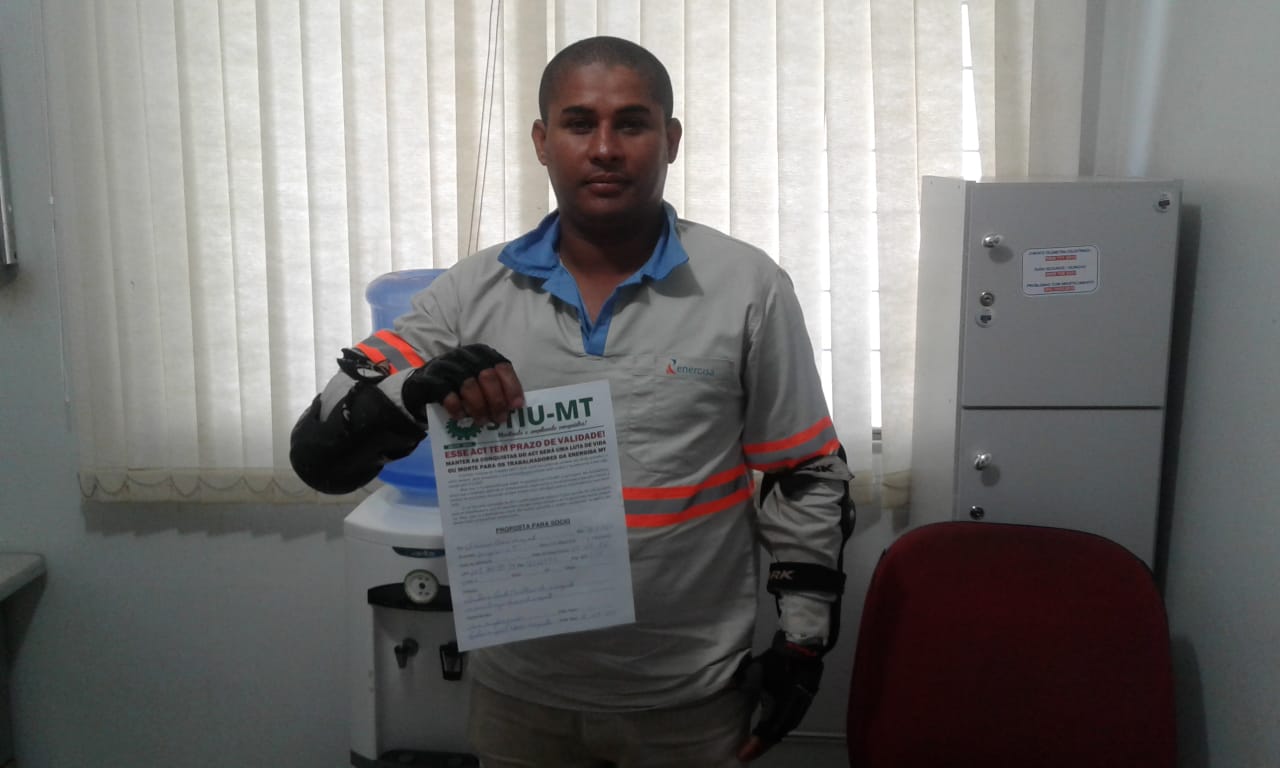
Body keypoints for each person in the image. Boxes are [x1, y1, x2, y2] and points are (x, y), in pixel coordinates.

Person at [291, 36, 853, 767]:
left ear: (671, 139)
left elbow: (803, 471)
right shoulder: (470, 293)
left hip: (689, 697)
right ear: (541, 141)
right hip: (518, 695)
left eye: (632, 123)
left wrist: (804, 642)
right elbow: (320, 455)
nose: (606, 148)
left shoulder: (748, 287)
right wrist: (413, 389)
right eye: (580, 123)